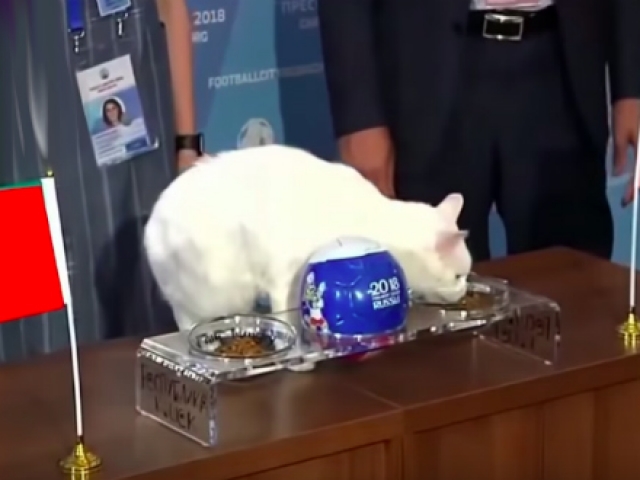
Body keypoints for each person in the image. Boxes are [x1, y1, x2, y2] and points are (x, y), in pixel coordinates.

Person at [318, 0, 640, 261]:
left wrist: (632, 85)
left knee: (572, 289)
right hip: (425, 74)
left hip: (561, 67)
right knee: (436, 291)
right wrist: (358, 116)